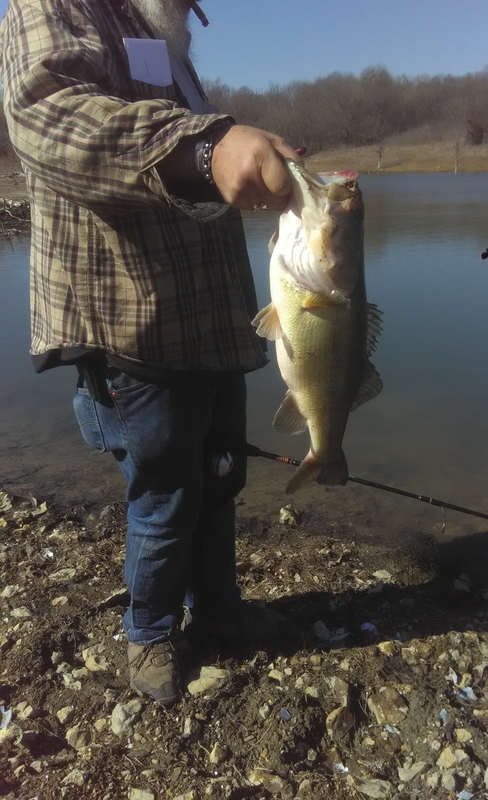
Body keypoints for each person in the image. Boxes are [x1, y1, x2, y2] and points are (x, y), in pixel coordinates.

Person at [0, 0, 298, 706]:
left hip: (215, 326)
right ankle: (149, 634)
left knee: (220, 479)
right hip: (131, 327)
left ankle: (219, 615)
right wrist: (206, 148)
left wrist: (234, 158)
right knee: (165, 497)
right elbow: (48, 117)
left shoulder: (163, 33)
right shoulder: (56, 4)